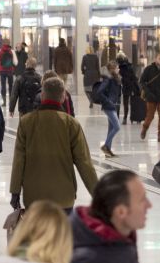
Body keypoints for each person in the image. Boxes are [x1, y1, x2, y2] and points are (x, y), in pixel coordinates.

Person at [10, 77, 98, 213]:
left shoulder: (26, 122)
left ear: (42, 96)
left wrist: (15, 191)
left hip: (34, 196)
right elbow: (84, 162)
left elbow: (19, 160)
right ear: (63, 97)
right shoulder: (71, 124)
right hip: (64, 196)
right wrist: (98, 195)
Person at [139, 53, 160, 142]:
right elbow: (142, 81)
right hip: (151, 97)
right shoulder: (148, 69)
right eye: (159, 58)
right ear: (155, 59)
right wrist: (148, 93)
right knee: (150, 116)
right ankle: (144, 128)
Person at [98, 61, 122, 158]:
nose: (118, 69)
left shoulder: (115, 79)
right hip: (109, 106)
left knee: (111, 128)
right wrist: (108, 101)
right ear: (113, 69)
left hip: (113, 105)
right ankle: (105, 146)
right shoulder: (108, 79)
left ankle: (108, 150)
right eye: (117, 68)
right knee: (117, 127)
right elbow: (99, 92)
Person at [116, 53, 139, 125]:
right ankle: (134, 118)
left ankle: (125, 118)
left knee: (125, 103)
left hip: (125, 86)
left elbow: (121, 78)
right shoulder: (129, 66)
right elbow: (134, 77)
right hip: (131, 86)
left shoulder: (120, 67)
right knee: (132, 103)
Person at [0, 39, 17, 108]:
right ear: (9, 43)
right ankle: (10, 101)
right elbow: (16, 62)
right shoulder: (12, 51)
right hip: (10, 71)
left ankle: (4, 102)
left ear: (3, 43)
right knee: (11, 86)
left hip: (2, 71)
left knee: (3, 86)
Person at [81, 46, 101, 111]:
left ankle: (90, 100)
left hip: (87, 74)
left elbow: (82, 66)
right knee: (94, 89)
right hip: (95, 74)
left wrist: (84, 72)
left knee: (86, 89)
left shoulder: (85, 57)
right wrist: (99, 75)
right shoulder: (96, 57)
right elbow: (98, 67)